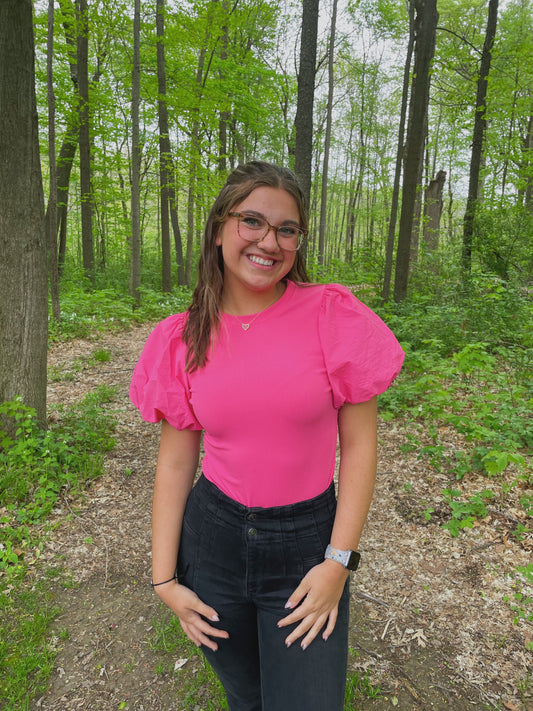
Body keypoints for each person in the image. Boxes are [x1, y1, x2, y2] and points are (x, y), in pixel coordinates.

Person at [130, 160, 404, 711]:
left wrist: (338, 562)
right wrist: (164, 580)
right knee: (246, 695)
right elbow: (177, 463)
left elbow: (360, 447)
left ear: (299, 240)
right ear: (219, 229)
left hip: (306, 547)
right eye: (251, 221)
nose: (269, 241)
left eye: (287, 229)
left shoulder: (333, 316)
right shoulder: (184, 338)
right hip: (213, 543)